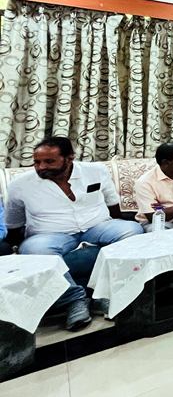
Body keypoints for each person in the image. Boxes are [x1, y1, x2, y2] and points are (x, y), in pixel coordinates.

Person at [5, 137, 144, 330]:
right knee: (35, 250)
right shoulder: (20, 185)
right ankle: (74, 301)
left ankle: (107, 292)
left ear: (69, 158)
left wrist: (119, 223)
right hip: (50, 234)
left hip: (96, 226)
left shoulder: (95, 171)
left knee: (132, 231)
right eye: (36, 162)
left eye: (49, 161)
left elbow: (113, 204)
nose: (41, 167)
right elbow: (14, 223)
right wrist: (17, 248)